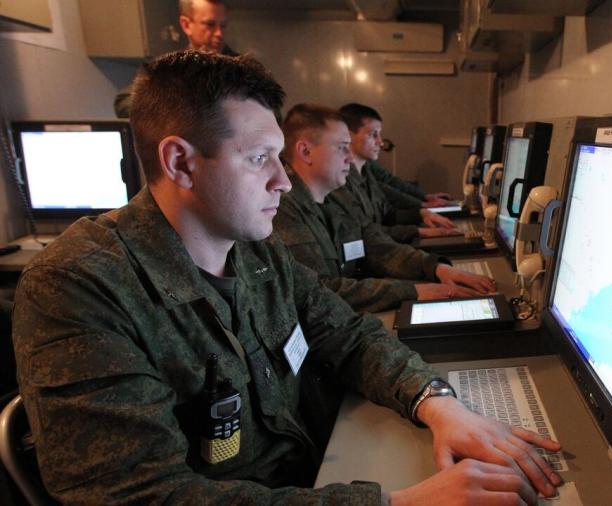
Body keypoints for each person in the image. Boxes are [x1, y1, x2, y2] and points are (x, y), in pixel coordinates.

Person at [13, 50, 562, 504]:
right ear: (180, 162)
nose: (283, 181)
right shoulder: (78, 289)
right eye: (259, 159)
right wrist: (396, 503)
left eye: (279, 157)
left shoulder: (257, 250)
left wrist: (437, 403)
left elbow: (348, 334)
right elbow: (144, 495)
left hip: (317, 471)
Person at [274, 104, 495, 313]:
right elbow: (321, 291)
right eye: (342, 148)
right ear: (305, 152)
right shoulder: (282, 209)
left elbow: (376, 246)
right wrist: (412, 291)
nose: (350, 158)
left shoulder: (331, 198)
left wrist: (438, 269)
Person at [338, 103, 461, 243]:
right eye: (373, 135)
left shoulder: (367, 173)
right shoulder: (341, 181)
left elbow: (387, 215)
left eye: (379, 135)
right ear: (348, 135)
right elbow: (365, 233)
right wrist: (419, 231)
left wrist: (422, 214)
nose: (380, 142)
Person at [114, 0, 236, 118]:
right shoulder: (172, 67)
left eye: (223, 25)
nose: (219, 33)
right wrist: (174, 109)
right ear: (186, 25)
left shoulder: (240, 70)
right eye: (210, 24)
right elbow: (124, 101)